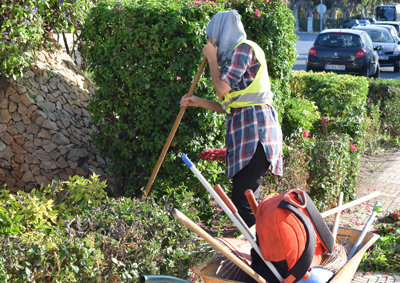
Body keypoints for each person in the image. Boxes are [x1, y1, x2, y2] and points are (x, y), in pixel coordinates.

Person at [180, 10, 283, 228]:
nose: (209, 42)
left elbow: (220, 89)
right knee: (243, 200)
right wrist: (198, 101)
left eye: (211, 37)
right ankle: (261, 251)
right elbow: (231, 105)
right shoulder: (233, 57)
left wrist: (211, 59)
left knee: (243, 202)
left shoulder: (244, 49)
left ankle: (266, 251)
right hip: (246, 133)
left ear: (222, 33)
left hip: (257, 134)